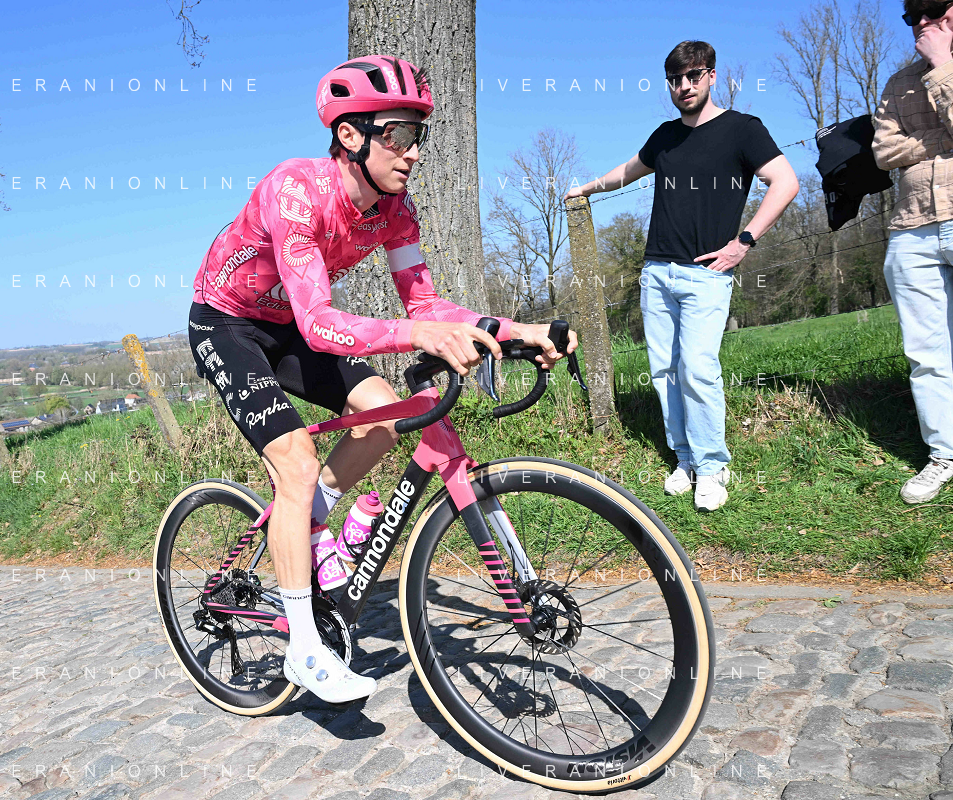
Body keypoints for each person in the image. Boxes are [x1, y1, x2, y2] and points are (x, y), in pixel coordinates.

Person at [187, 55, 578, 703]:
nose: (412, 152)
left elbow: (427, 306)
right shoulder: (295, 190)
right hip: (228, 324)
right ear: (350, 135)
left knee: (389, 417)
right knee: (297, 463)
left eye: (417, 135)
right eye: (397, 134)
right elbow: (320, 323)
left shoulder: (395, 210)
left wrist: (517, 330)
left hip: (288, 327)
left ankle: (310, 528)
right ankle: (304, 649)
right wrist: (421, 336)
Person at [565, 40, 798, 512]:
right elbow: (629, 171)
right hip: (657, 272)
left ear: (711, 76)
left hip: (706, 274)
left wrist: (744, 242)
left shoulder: (742, 129)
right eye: (675, 80)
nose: (684, 86)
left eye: (693, 76)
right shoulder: (666, 135)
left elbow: (786, 182)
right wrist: (585, 188)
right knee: (665, 371)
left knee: (697, 369)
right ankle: (686, 457)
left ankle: (712, 467)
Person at [870, 0, 953, 504]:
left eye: (932, 9)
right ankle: (944, 454)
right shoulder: (898, 82)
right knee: (926, 353)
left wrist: (943, 66)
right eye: (912, 15)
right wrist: (940, 138)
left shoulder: (935, 68)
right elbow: (884, 153)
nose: (922, 22)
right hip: (913, 225)